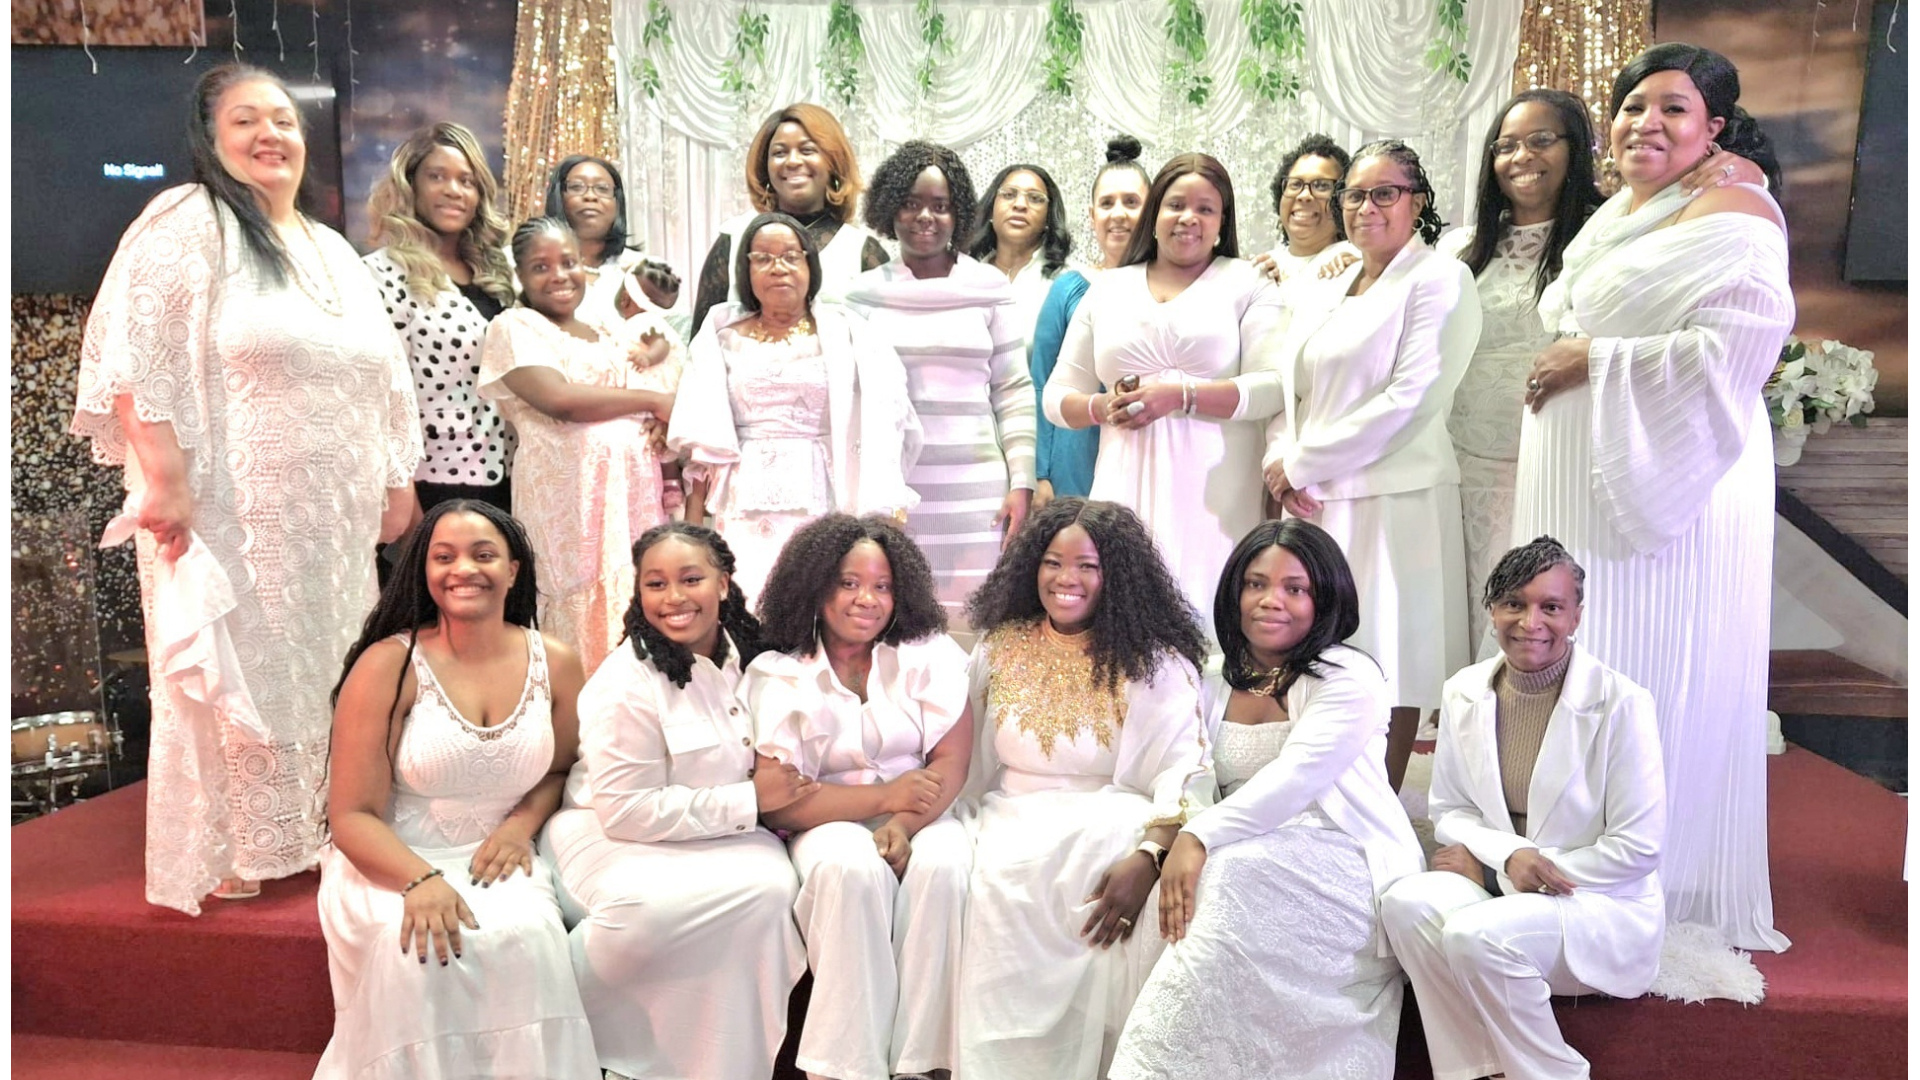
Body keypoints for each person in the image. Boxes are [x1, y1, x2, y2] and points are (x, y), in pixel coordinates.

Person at [72, 63, 421, 913]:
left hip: (331, 516)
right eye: (245, 123)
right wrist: (165, 478)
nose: (271, 136)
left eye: (284, 121)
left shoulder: (331, 247)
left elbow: (383, 378)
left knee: (332, 661)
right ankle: (243, 842)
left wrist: (392, 475)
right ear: (210, 138)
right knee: (248, 666)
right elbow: (134, 359)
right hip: (232, 505)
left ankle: (326, 822)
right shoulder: (186, 223)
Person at [1512, 42, 1791, 952]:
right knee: (1574, 658)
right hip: (1578, 480)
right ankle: (1565, 851)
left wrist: (1597, 358)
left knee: (1652, 662)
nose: (1646, 123)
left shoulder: (1741, 214)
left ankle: (1649, 883)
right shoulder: (1627, 211)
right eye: (1633, 106)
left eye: (1673, 109)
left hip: (1672, 495)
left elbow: (1736, 353)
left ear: (1713, 127)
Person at [1439, 90, 1765, 654]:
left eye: (1542, 141)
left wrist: (1747, 167)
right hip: (1466, 462)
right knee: (1469, 605)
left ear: (1577, 149)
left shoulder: (1608, 233)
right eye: (1507, 146)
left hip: (1558, 465)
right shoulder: (1460, 248)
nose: (1523, 157)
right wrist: (1326, 258)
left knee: (1542, 619)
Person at [1112, 518, 1425, 1079]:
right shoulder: (1212, 676)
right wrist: (1175, 838)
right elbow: (1194, 770)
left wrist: (1199, 836)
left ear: (1324, 597)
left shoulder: (1349, 676)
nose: (1269, 601)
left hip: (1344, 856)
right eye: (1255, 584)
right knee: (1193, 873)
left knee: (1229, 878)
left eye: (1294, 588)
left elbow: (1296, 777)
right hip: (1242, 845)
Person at [317, 499, 596, 1079]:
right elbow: (351, 815)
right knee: (417, 954)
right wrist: (418, 880)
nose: (462, 568)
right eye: (443, 556)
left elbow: (561, 770)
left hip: (501, 853)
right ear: (425, 571)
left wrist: (520, 827)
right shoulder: (387, 666)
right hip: (394, 853)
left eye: (483, 554)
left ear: (513, 570)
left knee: (529, 937)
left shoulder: (559, 663)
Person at [1380, 537, 1666, 1080]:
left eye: (1550, 607)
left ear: (1576, 615)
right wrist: (1508, 858)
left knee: (1475, 936)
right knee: (1405, 904)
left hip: (1597, 903)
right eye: (1514, 603)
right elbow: (1449, 810)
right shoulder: (1465, 690)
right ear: (1492, 610)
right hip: (1505, 877)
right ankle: (1478, 1070)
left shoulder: (1624, 704)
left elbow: (1638, 849)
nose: (1529, 621)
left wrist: (1496, 873)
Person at [542, 523, 809, 1080]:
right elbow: (628, 811)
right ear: (639, 594)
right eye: (655, 584)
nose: (674, 598)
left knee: (769, 892)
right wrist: (750, 801)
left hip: (721, 831)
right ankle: (594, 1051)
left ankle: (721, 1065)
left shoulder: (753, 660)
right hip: (609, 828)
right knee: (648, 909)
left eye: (691, 579)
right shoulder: (626, 680)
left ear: (724, 583)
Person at [956, 498, 1211, 1080]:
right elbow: (965, 761)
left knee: (1109, 840)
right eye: (1052, 562)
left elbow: (1184, 767)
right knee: (973, 873)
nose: (1066, 579)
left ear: (1117, 576)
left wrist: (1151, 853)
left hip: (1106, 819)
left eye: (1088, 566)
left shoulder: (1155, 661)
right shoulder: (999, 646)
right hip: (1007, 816)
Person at [1262, 139, 1482, 790]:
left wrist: (1303, 462)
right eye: (1354, 194)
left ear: (1418, 202)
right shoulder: (1332, 281)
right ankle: (1318, 788)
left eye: (1385, 193)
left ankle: (1379, 802)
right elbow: (1291, 385)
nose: (1366, 207)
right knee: (1318, 653)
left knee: (1394, 654)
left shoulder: (1439, 278)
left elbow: (1412, 397)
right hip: (1317, 499)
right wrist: (1282, 458)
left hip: (1395, 498)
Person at [741, 514, 973, 1080]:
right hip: (825, 824)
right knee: (852, 870)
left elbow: (953, 760)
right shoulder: (779, 673)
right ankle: (845, 1068)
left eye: (882, 585)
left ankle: (925, 1063)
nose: (866, 599)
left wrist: (904, 821)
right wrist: (882, 801)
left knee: (943, 868)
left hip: (926, 811)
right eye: (848, 583)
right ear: (816, 586)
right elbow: (780, 802)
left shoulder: (927, 653)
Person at [1042, 153, 1286, 635]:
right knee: (1117, 630)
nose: (1188, 218)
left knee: (1207, 625)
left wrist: (1180, 396)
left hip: (1214, 494)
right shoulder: (1108, 289)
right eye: (1176, 205)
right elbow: (1056, 394)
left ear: (1222, 221)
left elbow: (1273, 387)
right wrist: (1100, 407)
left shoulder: (1248, 283)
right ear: (1154, 215)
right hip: (1120, 489)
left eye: (1205, 208)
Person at [668, 212, 922, 602]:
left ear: (810, 265)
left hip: (823, 492)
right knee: (745, 603)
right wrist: (690, 534)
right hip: (743, 496)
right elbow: (706, 441)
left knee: (818, 604)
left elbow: (888, 419)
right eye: (763, 258)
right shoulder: (720, 337)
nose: (778, 267)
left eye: (791, 255)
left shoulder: (849, 334)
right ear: (746, 269)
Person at [479, 217, 679, 675]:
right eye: (540, 266)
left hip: (631, 499)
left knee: (640, 597)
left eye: (568, 262)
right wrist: (653, 403)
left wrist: (661, 421)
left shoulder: (605, 330)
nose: (559, 276)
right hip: (571, 507)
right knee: (579, 611)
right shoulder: (514, 326)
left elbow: (655, 376)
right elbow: (561, 401)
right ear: (521, 276)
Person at [847, 141, 1036, 620]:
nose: (925, 217)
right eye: (911, 204)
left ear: (960, 215)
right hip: (899, 489)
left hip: (979, 492)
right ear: (889, 209)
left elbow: (1013, 391)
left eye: (940, 206)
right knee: (902, 619)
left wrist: (1023, 482)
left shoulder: (989, 287)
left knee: (977, 620)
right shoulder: (862, 296)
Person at [365, 122, 518, 515]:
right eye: (437, 176)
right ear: (410, 184)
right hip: (432, 483)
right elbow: (377, 398)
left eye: (467, 181)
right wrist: (407, 507)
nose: (454, 190)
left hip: (510, 475)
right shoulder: (381, 275)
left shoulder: (500, 274)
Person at [691, 102, 889, 332]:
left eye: (807, 150)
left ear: (833, 162)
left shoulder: (862, 251)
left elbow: (886, 348)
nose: (793, 161)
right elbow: (699, 343)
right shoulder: (734, 238)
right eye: (779, 152)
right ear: (765, 167)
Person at [1031, 137, 1152, 505]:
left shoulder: (1173, 287)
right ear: (1091, 215)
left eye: (1132, 202)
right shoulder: (1069, 288)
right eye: (1107, 203)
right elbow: (1041, 382)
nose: (1119, 213)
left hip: (1145, 455)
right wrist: (1040, 474)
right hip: (1074, 457)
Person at [541, 154, 657, 329]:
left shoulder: (643, 270)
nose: (590, 196)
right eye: (577, 187)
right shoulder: (522, 264)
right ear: (559, 196)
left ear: (617, 202)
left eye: (602, 189)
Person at [968, 161, 1074, 346]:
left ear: (1048, 217)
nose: (1020, 205)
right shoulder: (966, 278)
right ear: (992, 209)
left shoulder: (1068, 283)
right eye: (1009, 195)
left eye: (1035, 198)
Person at [1250, 133, 1359, 288]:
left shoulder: (1356, 263)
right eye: (1295, 184)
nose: (1304, 195)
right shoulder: (1263, 266)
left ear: (1344, 199)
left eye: (1321, 185)